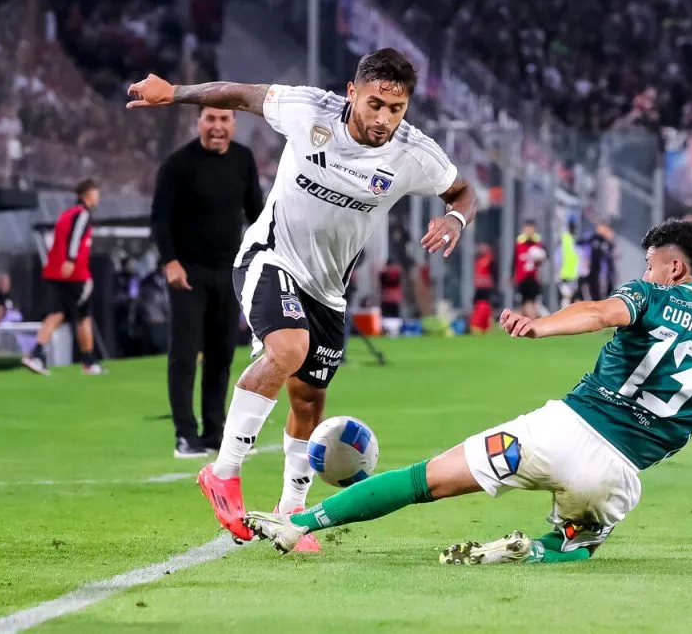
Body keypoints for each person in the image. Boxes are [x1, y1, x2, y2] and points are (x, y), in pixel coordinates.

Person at [241, 220, 692, 564]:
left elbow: (603, 312)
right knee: (584, 532)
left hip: (556, 433)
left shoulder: (649, 294)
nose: (644, 270)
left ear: (675, 268)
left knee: (423, 479)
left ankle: (299, 520)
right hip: (618, 476)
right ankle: (550, 544)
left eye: (651, 261)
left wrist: (543, 324)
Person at [127, 47, 477, 550]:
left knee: (309, 399)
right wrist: (176, 94)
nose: (383, 119)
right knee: (287, 350)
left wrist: (454, 218)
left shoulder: (413, 153)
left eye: (395, 109)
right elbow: (239, 96)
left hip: (329, 291)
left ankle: (292, 510)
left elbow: (463, 191)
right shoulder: (309, 110)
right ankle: (223, 472)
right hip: (271, 258)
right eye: (375, 104)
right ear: (353, 92)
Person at [150, 106, 263, 459]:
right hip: (188, 273)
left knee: (221, 355)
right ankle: (185, 435)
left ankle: (215, 431)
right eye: (210, 119)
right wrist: (170, 262)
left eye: (224, 119)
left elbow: (256, 214)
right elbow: (160, 218)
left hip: (229, 273)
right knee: (184, 355)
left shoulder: (243, 159)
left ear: (234, 123)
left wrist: (260, 258)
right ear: (198, 122)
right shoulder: (178, 164)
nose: (217, 126)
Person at [22, 179, 103, 376]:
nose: (98, 197)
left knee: (57, 313)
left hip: (56, 272)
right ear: (86, 194)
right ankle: (88, 362)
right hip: (75, 274)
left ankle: (37, 353)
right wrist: (71, 259)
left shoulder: (65, 214)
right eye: (95, 192)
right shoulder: (82, 214)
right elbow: (75, 237)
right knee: (83, 316)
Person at [513, 219, 545, 318]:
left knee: (530, 302)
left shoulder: (538, 245)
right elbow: (514, 260)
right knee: (523, 303)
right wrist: (511, 276)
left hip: (533, 278)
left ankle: (532, 322)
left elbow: (543, 261)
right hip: (521, 278)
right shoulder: (519, 244)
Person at [557, 219, 580, 309]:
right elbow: (558, 257)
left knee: (572, 299)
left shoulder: (574, 239)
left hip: (574, 275)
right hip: (565, 275)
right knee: (566, 298)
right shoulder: (565, 239)